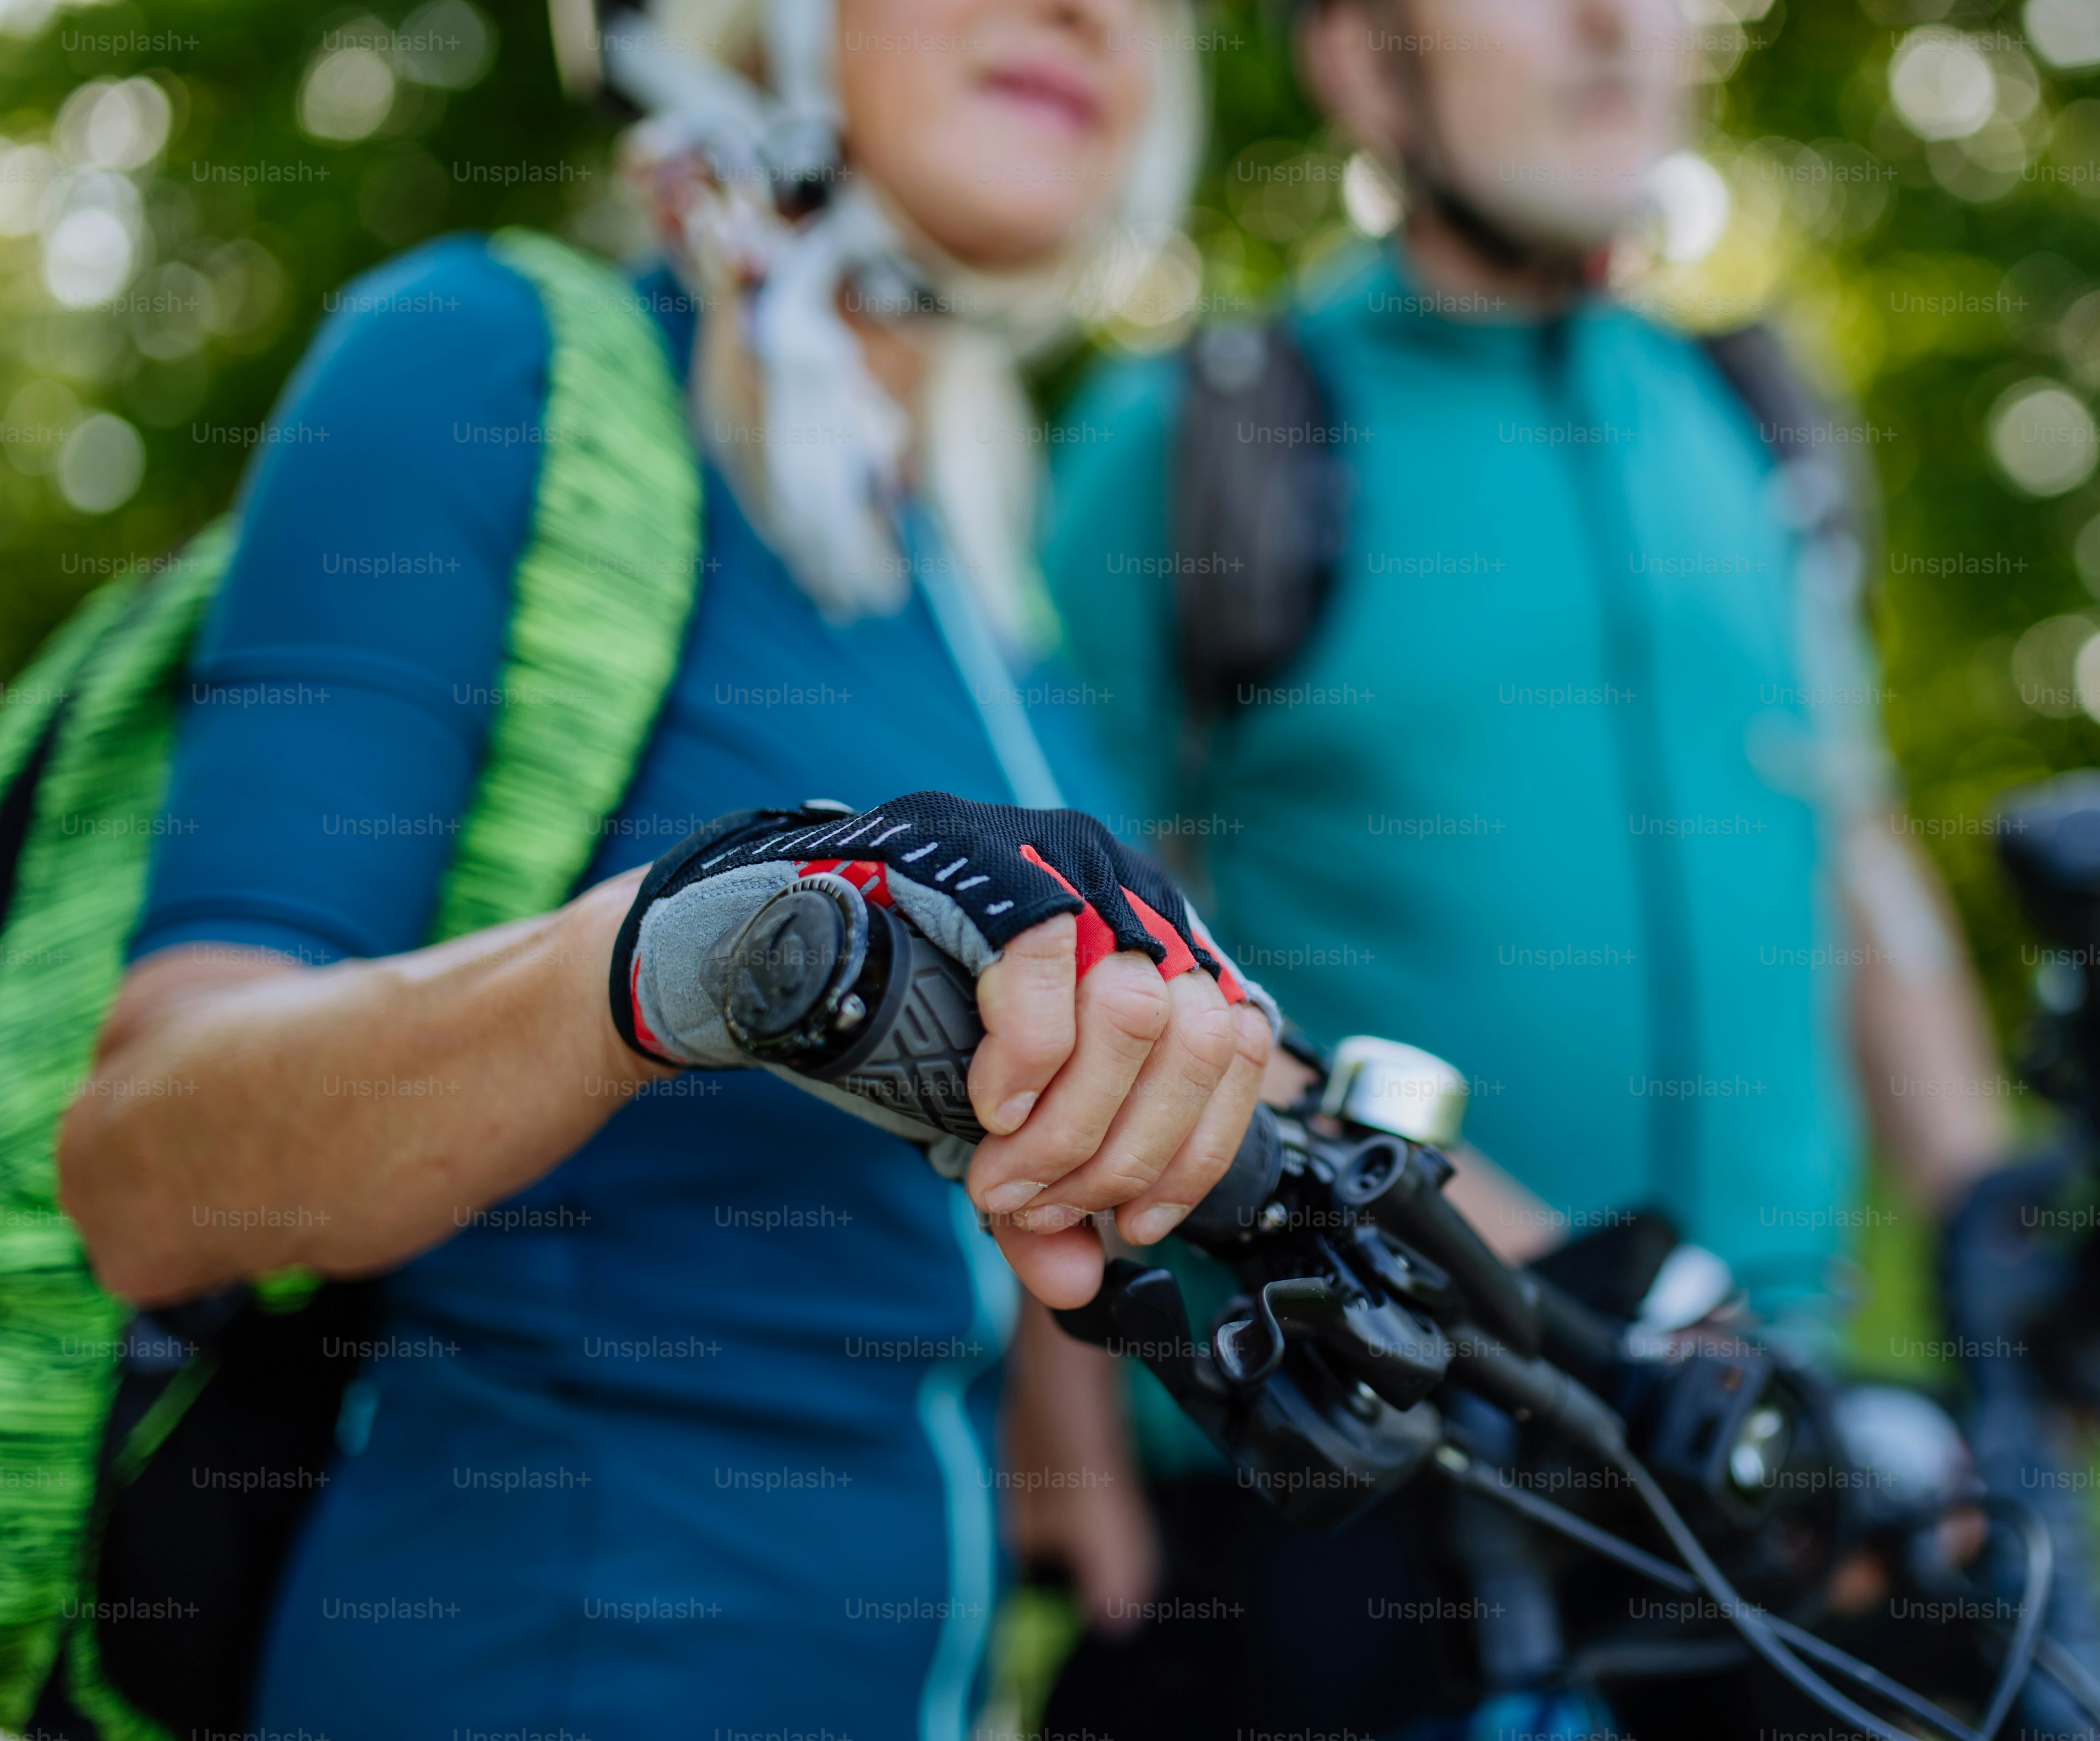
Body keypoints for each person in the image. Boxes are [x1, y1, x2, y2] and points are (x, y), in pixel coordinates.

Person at [51, 2, 1265, 1737]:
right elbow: (149, 1170)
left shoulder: (968, 565)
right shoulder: (483, 364)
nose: (1083, 12)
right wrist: (668, 958)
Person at [1034, 0, 2100, 1732]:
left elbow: (1852, 847)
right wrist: (1077, 1472)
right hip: (1350, 1486)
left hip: (1775, 1466)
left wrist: (2000, 1257)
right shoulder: (1206, 434)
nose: (1616, 27)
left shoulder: (1753, 422)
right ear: (1355, 54)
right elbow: (1053, 934)